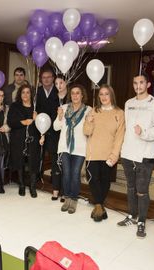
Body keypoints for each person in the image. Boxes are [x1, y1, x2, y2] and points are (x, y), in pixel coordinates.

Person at [118, 73, 154, 238]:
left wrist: (143, 132)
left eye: (141, 82)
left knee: (142, 190)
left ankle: (142, 221)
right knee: (130, 187)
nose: (138, 85)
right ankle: (132, 215)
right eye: (135, 83)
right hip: (127, 152)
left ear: (148, 84)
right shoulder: (128, 103)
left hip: (145, 155)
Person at [83, 85, 125, 221]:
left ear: (111, 95)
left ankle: (98, 207)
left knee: (105, 181)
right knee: (93, 180)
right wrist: (88, 122)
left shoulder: (119, 113)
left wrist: (114, 155)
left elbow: (120, 137)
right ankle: (100, 206)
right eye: (101, 94)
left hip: (109, 154)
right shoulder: (93, 112)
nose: (104, 97)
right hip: (93, 153)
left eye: (107, 94)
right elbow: (86, 132)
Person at [53, 84, 91, 213]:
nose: (75, 95)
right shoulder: (63, 108)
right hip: (64, 147)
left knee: (75, 174)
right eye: (73, 93)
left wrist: (90, 121)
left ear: (82, 95)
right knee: (66, 174)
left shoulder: (88, 110)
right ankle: (67, 197)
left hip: (80, 148)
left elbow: (89, 131)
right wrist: (59, 116)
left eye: (78, 93)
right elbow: (56, 127)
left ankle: (73, 199)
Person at [8, 85, 42, 197]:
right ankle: (21, 185)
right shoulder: (15, 106)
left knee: (33, 162)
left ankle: (32, 187)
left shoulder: (36, 107)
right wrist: (23, 122)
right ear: (20, 94)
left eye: (28, 92)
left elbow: (43, 124)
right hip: (18, 138)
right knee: (20, 161)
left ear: (31, 94)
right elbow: (10, 122)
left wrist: (37, 119)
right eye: (23, 92)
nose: (25, 95)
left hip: (33, 138)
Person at [35, 68, 61, 201]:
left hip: (55, 130)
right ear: (41, 79)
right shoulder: (36, 92)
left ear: (53, 78)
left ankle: (55, 180)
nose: (46, 79)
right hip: (39, 128)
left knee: (54, 156)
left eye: (49, 77)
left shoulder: (59, 92)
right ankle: (37, 179)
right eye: (44, 77)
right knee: (38, 154)